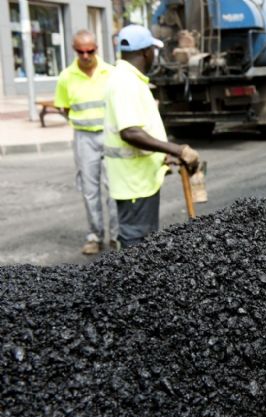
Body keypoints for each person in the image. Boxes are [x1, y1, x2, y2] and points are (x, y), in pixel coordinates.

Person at [103, 25, 200, 248]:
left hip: (138, 181)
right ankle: (131, 283)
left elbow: (141, 129)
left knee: (144, 241)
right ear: (147, 52)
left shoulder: (129, 79)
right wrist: (176, 149)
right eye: (153, 51)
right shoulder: (125, 82)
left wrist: (163, 156)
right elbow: (130, 132)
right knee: (137, 245)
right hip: (134, 184)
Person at [54, 29, 119, 255]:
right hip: (84, 138)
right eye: (80, 52)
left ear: (96, 49)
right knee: (90, 190)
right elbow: (63, 107)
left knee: (114, 188)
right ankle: (95, 236)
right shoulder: (66, 77)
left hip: (109, 135)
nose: (85, 56)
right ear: (74, 50)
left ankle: (117, 236)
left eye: (89, 51)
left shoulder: (110, 73)